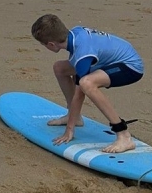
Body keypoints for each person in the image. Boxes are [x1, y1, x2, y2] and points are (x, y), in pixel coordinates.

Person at [31, 13, 144, 154]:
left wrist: (69, 130)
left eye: (42, 44)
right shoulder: (75, 33)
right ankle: (75, 117)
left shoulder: (82, 54)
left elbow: (79, 94)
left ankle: (123, 135)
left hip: (130, 66)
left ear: (51, 44)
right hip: (109, 60)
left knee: (86, 84)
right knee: (60, 68)